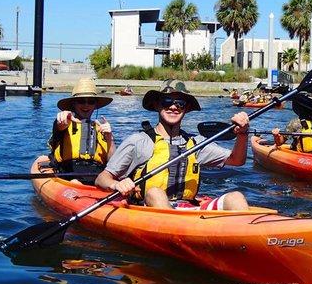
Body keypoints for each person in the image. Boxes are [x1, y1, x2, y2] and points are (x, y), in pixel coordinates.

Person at [95, 83, 250, 210]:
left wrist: (242, 134)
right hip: (146, 208)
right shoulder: (138, 141)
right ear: (156, 105)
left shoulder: (196, 143)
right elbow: (102, 178)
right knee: (155, 193)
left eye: (180, 103)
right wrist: (117, 184)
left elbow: (236, 160)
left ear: (186, 109)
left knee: (236, 197)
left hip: (188, 208)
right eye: (167, 102)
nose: (174, 107)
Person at [48, 78, 115, 183]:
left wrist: (110, 139)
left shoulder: (101, 127)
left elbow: (113, 162)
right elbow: (59, 126)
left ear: (95, 106)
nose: (86, 105)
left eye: (91, 102)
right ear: (73, 104)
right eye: (81, 101)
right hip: (69, 173)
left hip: (97, 176)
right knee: (75, 182)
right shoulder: (65, 122)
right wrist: (61, 119)